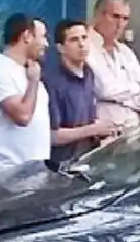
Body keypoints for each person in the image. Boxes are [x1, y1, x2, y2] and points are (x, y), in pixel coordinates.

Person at [0, 13, 50, 175]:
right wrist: (33, 82)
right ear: (26, 36)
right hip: (8, 174)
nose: (46, 43)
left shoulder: (31, 70)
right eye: (43, 37)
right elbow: (23, 116)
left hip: (36, 173)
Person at [44, 18, 114, 166]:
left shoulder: (89, 73)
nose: (82, 44)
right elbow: (52, 135)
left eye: (84, 38)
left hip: (88, 160)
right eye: (74, 40)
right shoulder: (51, 82)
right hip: (62, 166)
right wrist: (91, 129)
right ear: (60, 48)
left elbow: (88, 119)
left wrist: (102, 130)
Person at [89, 0, 140, 131]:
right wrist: (135, 89)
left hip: (132, 132)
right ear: (98, 15)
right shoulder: (86, 47)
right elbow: (105, 89)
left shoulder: (125, 51)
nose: (120, 24)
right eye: (115, 16)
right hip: (101, 134)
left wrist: (119, 99)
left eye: (125, 18)